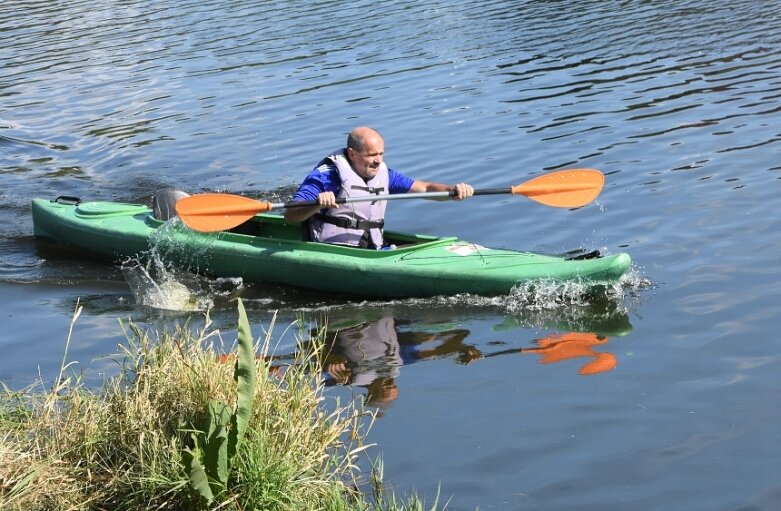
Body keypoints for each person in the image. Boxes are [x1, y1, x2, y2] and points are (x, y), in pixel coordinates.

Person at [284, 126, 474, 249]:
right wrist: (317, 204)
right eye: (372, 155)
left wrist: (453, 192)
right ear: (352, 153)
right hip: (332, 250)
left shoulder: (384, 174)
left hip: (373, 247)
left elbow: (424, 188)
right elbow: (290, 215)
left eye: (381, 154)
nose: (378, 161)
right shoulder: (327, 176)